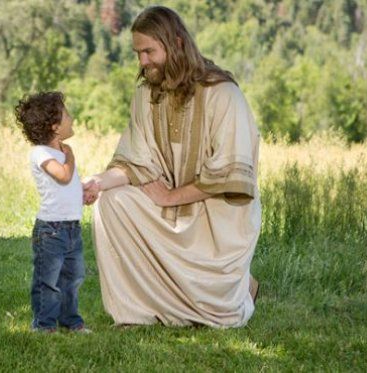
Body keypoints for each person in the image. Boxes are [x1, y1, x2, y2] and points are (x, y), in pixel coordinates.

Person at [82, 5, 261, 328]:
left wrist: (169, 197)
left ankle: (238, 288)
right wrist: (97, 182)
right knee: (111, 203)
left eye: (149, 51)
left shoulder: (224, 95)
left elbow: (229, 178)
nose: (143, 62)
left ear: (176, 44)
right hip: (170, 211)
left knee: (224, 319)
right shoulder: (146, 96)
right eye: (138, 53)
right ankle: (140, 311)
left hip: (217, 218)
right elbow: (134, 162)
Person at [15, 91, 91, 334]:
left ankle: (71, 321)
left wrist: (83, 194)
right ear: (55, 126)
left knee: (72, 278)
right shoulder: (41, 153)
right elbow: (62, 175)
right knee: (48, 281)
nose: (72, 118)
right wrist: (71, 157)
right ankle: (44, 324)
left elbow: (68, 185)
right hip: (51, 230)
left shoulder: (61, 153)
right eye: (67, 115)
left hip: (71, 228)